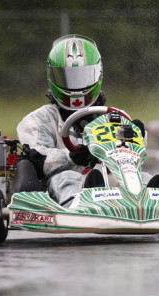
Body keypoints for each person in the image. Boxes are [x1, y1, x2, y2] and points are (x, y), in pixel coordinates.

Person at [16, 34, 106, 206]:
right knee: (67, 179)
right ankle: (79, 206)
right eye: (67, 76)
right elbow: (38, 157)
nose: (76, 85)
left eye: (83, 76)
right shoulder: (39, 119)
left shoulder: (111, 117)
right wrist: (72, 157)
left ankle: (157, 206)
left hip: (108, 180)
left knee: (146, 178)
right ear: (52, 77)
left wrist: (136, 136)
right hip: (60, 183)